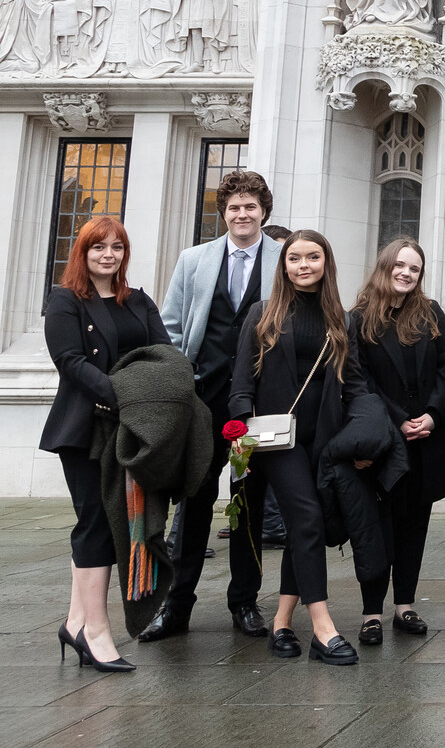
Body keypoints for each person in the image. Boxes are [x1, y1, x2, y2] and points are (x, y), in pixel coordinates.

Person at [149, 169, 282, 641]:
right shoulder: (194, 260)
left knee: (248, 503)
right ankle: (175, 605)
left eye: (250, 206)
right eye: (233, 208)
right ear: (223, 213)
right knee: (194, 500)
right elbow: (170, 327)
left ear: (264, 210)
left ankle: (244, 603)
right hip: (202, 402)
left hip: (257, 405)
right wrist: (179, 383)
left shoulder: (286, 257)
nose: (242, 214)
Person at [228, 229, 369, 665]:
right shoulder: (262, 313)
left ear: (326, 263)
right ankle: (323, 630)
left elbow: (357, 384)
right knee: (307, 517)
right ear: (283, 265)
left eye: (312, 257)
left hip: (320, 440)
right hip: (271, 441)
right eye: (294, 258)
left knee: (300, 528)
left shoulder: (341, 321)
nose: (303, 265)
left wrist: (371, 431)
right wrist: (240, 444)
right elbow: (240, 384)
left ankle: (282, 624)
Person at [40, 217, 173, 672]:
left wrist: (151, 400)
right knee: (95, 521)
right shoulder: (64, 301)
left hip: (131, 427)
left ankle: (76, 622)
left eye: (117, 247)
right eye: (99, 247)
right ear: (83, 252)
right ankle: (97, 632)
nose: (108, 255)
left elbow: (163, 355)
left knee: (108, 521)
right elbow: (70, 361)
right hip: (84, 429)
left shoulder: (138, 301)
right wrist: (124, 397)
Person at [345, 237, 445, 645]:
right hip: (384, 438)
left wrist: (432, 413)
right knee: (379, 527)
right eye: (400, 265)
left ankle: (404, 606)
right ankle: (371, 613)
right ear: (385, 266)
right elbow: (359, 379)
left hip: (427, 436)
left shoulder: (430, 313)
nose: (406, 273)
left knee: (415, 524)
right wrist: (398, 420)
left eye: (414, 268)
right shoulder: (359, 318)